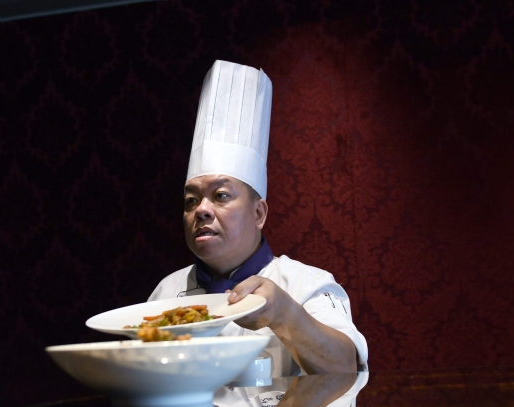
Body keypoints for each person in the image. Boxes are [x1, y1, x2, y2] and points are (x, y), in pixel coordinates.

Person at [148, 60, 368, 376]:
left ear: (258, 213)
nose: (202, 209)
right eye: (191, 200)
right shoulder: (166, 293)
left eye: (221, 195)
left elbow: (345, 367)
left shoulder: (307, 285)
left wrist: (285, 314)